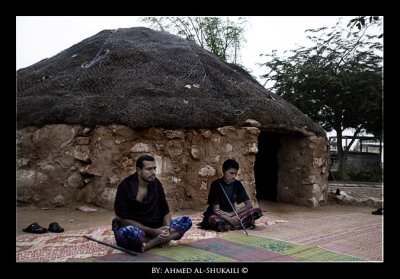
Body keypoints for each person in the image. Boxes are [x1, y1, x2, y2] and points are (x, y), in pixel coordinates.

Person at [112, 154, 192, 252]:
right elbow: (121, 218)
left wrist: (166, 229)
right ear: (138, 170)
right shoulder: (125, 186)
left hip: (156, 226)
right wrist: (153, 232)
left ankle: (149, 244)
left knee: (186, 221)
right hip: (139, 229)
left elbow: (165, 211)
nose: (153, 172)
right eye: (149, 169)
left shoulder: (156, 184)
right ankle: (159, 240)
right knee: (129, 232)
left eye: (154, 168)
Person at [200, 159, 262, 232]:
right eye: (231, 173)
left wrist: (231, 214)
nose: (234, 176)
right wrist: (228, 218)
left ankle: (230, 226)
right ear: (223, 171)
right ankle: (239, 225)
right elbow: (216, 210)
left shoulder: (237, 184)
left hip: (232, 214)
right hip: (219, 215)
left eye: (235, 173)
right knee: (214, 220)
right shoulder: (216, 185)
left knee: (257, 211)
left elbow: (249, 205)